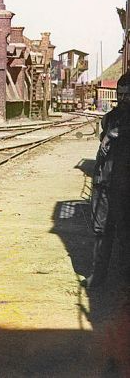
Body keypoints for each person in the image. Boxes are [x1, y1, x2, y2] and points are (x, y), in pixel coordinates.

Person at [84, 71, 130, 288]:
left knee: (124, 232)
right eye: (120, 95)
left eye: (128, 95)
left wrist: (114, 134)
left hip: (125, 186)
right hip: (105, 181)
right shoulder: (111, 117)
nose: (123, 99)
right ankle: (98, 276)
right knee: (101, 230)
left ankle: (124, 282)